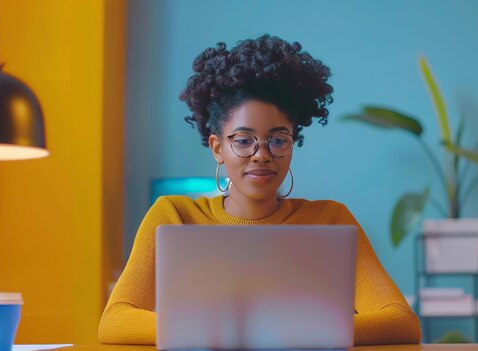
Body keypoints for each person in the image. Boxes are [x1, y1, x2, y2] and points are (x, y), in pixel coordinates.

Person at [99, 34, 421, 346]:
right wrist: (222, 330)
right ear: (217, 147)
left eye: (278, 139)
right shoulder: (174, 216)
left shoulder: (330, 218)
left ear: (293, 143)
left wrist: (291, 332)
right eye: (243, 140)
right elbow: (114, 321)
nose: (262, 154)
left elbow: (401, 322)